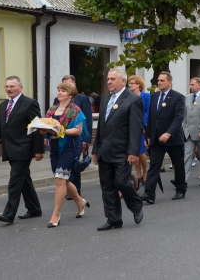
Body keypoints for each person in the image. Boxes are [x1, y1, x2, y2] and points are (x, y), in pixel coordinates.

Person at [0, 76, 45, 224]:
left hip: (23, 149)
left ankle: (8, 214)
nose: (9, 89)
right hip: (9, 149)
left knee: (15, 181)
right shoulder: (3, 105)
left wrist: (39, 150)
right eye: (7, 87)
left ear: (20, 88)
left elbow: (37, 127)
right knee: (24, 181)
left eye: (12, 86)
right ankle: (34, 208)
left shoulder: (30, 103)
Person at [92, 68, 144, 231]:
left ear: (123, 81)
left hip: (122, 151)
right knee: (107, 187)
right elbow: (101, 126)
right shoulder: (105, 100)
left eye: (113, 79)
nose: (109, 82)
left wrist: (133, 152)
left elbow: (136, 128)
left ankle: (136, 205)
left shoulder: (132, 100)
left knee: (121, 181)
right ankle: (114, 219)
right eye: (108, 79)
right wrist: (95, 149)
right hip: (104, 150)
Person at [43, 82, 90, 227]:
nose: (60, 93)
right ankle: (80, 201)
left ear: (70, 94)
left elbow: (78, 130)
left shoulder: (75, 110)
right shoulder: (53, 109)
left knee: (59, 179)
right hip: (55, 146)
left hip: (70, 147)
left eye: (63, 91)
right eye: (59, 90)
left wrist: (61, 130)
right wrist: (43, 129)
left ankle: (56, 214)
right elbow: (47, 126)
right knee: (62, 179)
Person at [142, 71, 186, 204]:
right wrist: (148, 135)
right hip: (156, 139)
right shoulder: (154, 96)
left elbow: (178, 118)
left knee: (178, 165)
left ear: (170, 82)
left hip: (173, 138)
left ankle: (180, 189)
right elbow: (151, 117)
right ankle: (149, 194)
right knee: (154, 166)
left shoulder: (177, 97)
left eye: (162, 80)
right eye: (158, 80)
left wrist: (169, 133)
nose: (159, 83)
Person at [53, 75, 92, 199]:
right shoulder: (56, 101)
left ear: (74, 86)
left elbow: (88, 120)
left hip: (75, 139)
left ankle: (76, 189)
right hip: (59, 141)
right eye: (62, 86)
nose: (63, 89)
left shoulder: (82, 99)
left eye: (68, 85)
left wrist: (86, 140)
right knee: (59, 171)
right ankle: (70, 190)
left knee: (74, 166)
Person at [128, 75, 151, 185]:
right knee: (134, 151)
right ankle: (138, 174)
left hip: (142, 126)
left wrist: (142, 125)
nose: (130, 85)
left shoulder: (146, 96)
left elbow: (147, 111)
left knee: (141, 151)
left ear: (138, 84)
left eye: (132, 83)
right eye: (129, 83)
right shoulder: (129, 97)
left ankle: (145, 171)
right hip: (131, 126)